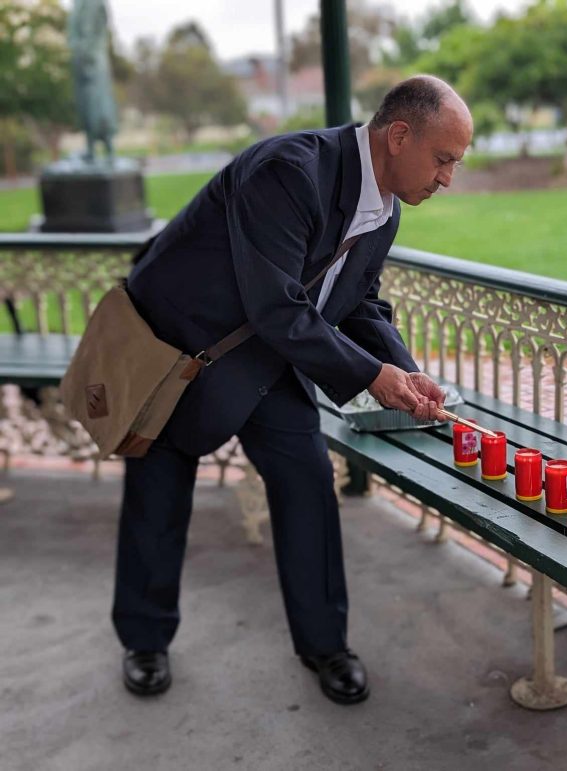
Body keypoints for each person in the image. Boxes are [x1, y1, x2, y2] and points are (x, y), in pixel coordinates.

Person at [115, 75, 473, 705]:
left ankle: (325, 646)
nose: (447, 179)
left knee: (307, 479)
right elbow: (279, 304)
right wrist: (371, 377)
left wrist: (404, 368)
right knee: (160, 482)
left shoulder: (384, 207)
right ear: (398, 136)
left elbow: (358, 299)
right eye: (443, 160)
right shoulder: (287, 172)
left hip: (264, 351)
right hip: (181, 345)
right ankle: (144, 640)